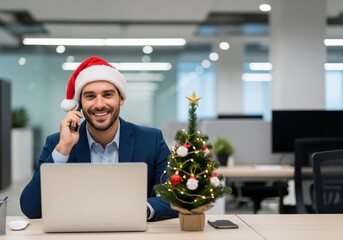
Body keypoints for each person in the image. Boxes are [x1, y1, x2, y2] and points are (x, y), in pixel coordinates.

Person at [20, 56, 178, 221]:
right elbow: (30, 208)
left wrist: (139, 210)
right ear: (79, 104)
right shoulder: (58, 143)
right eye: (90, 96)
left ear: (121, 98)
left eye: (107, 95)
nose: (99, 104)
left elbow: (176, 196)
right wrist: (63, 149)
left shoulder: (151, 140)